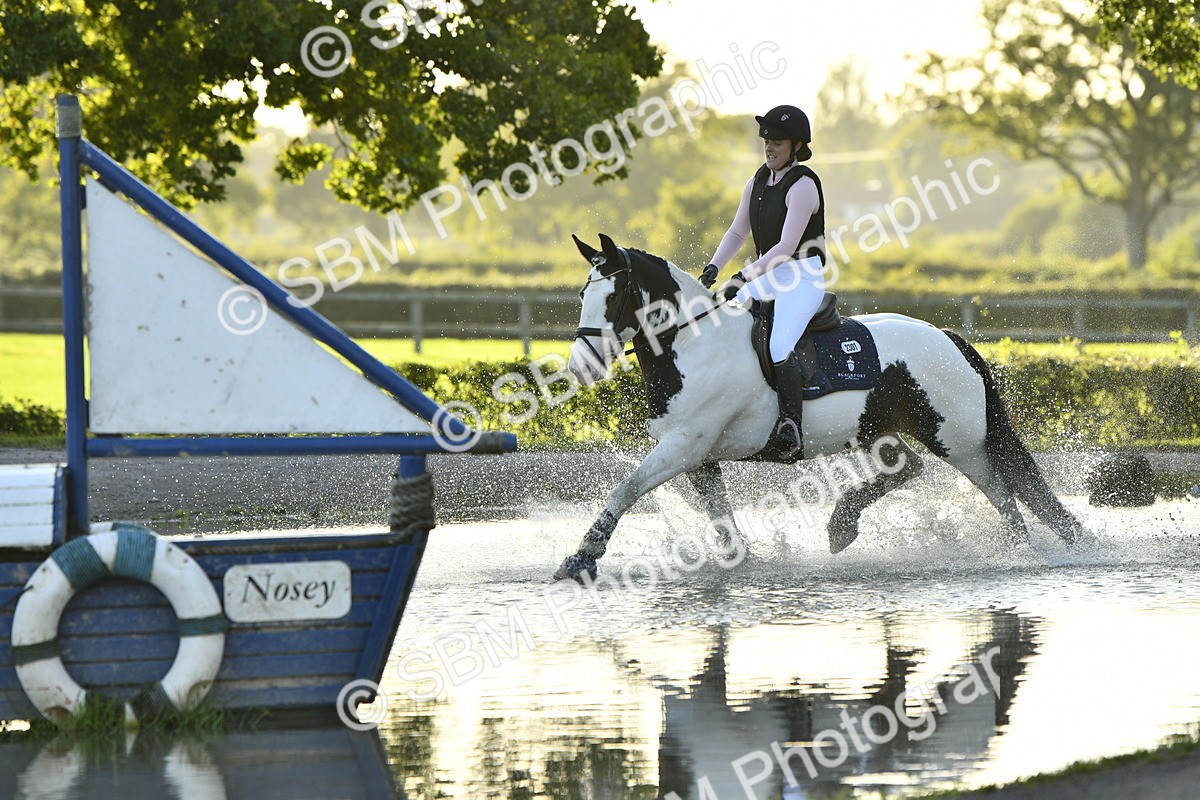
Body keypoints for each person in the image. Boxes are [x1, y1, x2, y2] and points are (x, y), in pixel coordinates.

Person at [699, 104, 827, 461]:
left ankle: (791, 428)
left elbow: (786, 247)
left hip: (801, 276)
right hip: (770, 273)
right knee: (729, 321)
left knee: (778, 347)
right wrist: (714, 266)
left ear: (797, 146)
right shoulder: (756, 181)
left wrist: (742, 276)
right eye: (766, 141)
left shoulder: (803, 187)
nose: (769, 148)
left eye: (778, 142)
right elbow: (738, 230)